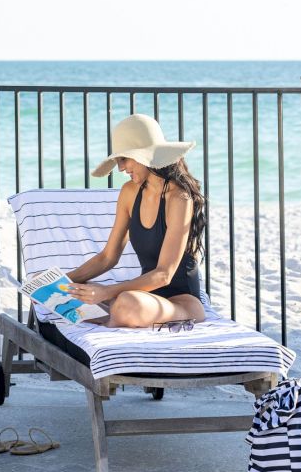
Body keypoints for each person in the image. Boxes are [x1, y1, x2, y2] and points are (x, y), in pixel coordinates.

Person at [65, 114, 207, 328]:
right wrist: (63, 283)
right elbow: (107, 257)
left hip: (180, 302)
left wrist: (107, 292)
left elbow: (163, 274)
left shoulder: (179, 198)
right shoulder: (129, 193)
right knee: (79, 293)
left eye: (124, 159)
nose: (121, 168)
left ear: (144, 155)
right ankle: (113, 315)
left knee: (126, 303)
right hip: (144, 297)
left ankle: (112, 316)